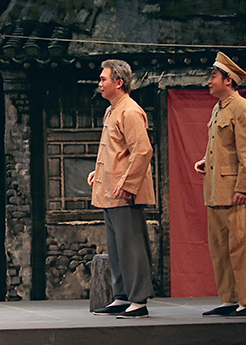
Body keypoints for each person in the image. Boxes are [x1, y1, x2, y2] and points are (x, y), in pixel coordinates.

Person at [193, 51, 246, 318]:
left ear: (228, 80)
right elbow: (223, 147)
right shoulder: (219, 108)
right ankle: (229, 299)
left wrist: (244, 187)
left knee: (241, 247)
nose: (209, 81)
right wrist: (205, 161)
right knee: (220, 249)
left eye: (213, 76)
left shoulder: (243, 108)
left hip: (235, 192)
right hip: (216, 191)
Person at [87, 60, 155, 319]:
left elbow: (142, 151)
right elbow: (114, 150)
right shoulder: (111, 110)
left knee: (131, 246)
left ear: (119, 83)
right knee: (116, 248)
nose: (100, 84)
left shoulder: (130, 111)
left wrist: (128, 184)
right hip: (111, 190)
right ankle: (122, 295)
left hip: (125, 192)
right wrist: (98, 172)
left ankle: (138, 300)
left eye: (103, 79)